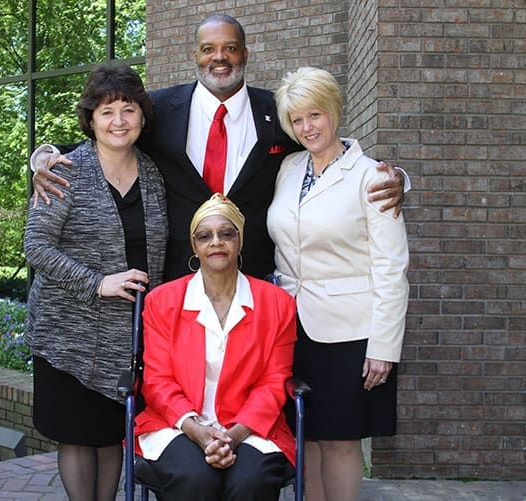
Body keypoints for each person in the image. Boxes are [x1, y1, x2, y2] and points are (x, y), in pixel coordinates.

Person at [29, 14, 407, 282]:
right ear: (195, 56)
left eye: (230, 48)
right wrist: (43, 156)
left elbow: (328, 148)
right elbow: (106, 138)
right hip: (178, 278)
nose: (219, 57)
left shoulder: (277, 112)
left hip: (254, 277)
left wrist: (394, 179)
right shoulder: (158, 110)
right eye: (209, 48)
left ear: (244, 54)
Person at [23, 64, 168, 501]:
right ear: (91, 119)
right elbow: (36, 245)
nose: (118, 121)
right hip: (67, 333)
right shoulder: (65, 171)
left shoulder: (155, 176)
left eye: (128, 109)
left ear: (143, 117)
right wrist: (97, 282)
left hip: (128, 336)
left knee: (111, 435)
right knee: (78, 437)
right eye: (107, 111)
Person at [267, 67, 410, 501]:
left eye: (315, 115)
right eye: (296, 120)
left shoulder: (373, 177)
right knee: (305, 437)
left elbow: (392, 267)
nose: (307, 127)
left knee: (342, 441)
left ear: (334, 111)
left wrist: (384, 347)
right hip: (293, 327)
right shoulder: (289, 168)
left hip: (352, 331)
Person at [133, 193, 298, 500]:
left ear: (240, 241)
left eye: (227, 233)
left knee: (251, 481)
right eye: (205, 236)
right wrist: (198, 431)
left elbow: (274, 382)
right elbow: (156, 380)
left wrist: (232, 437)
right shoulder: (163, 302)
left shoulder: (278, 304)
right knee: (195, 478)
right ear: (194, 246)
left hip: (250, 427)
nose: (216, 242)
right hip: (178, 424)